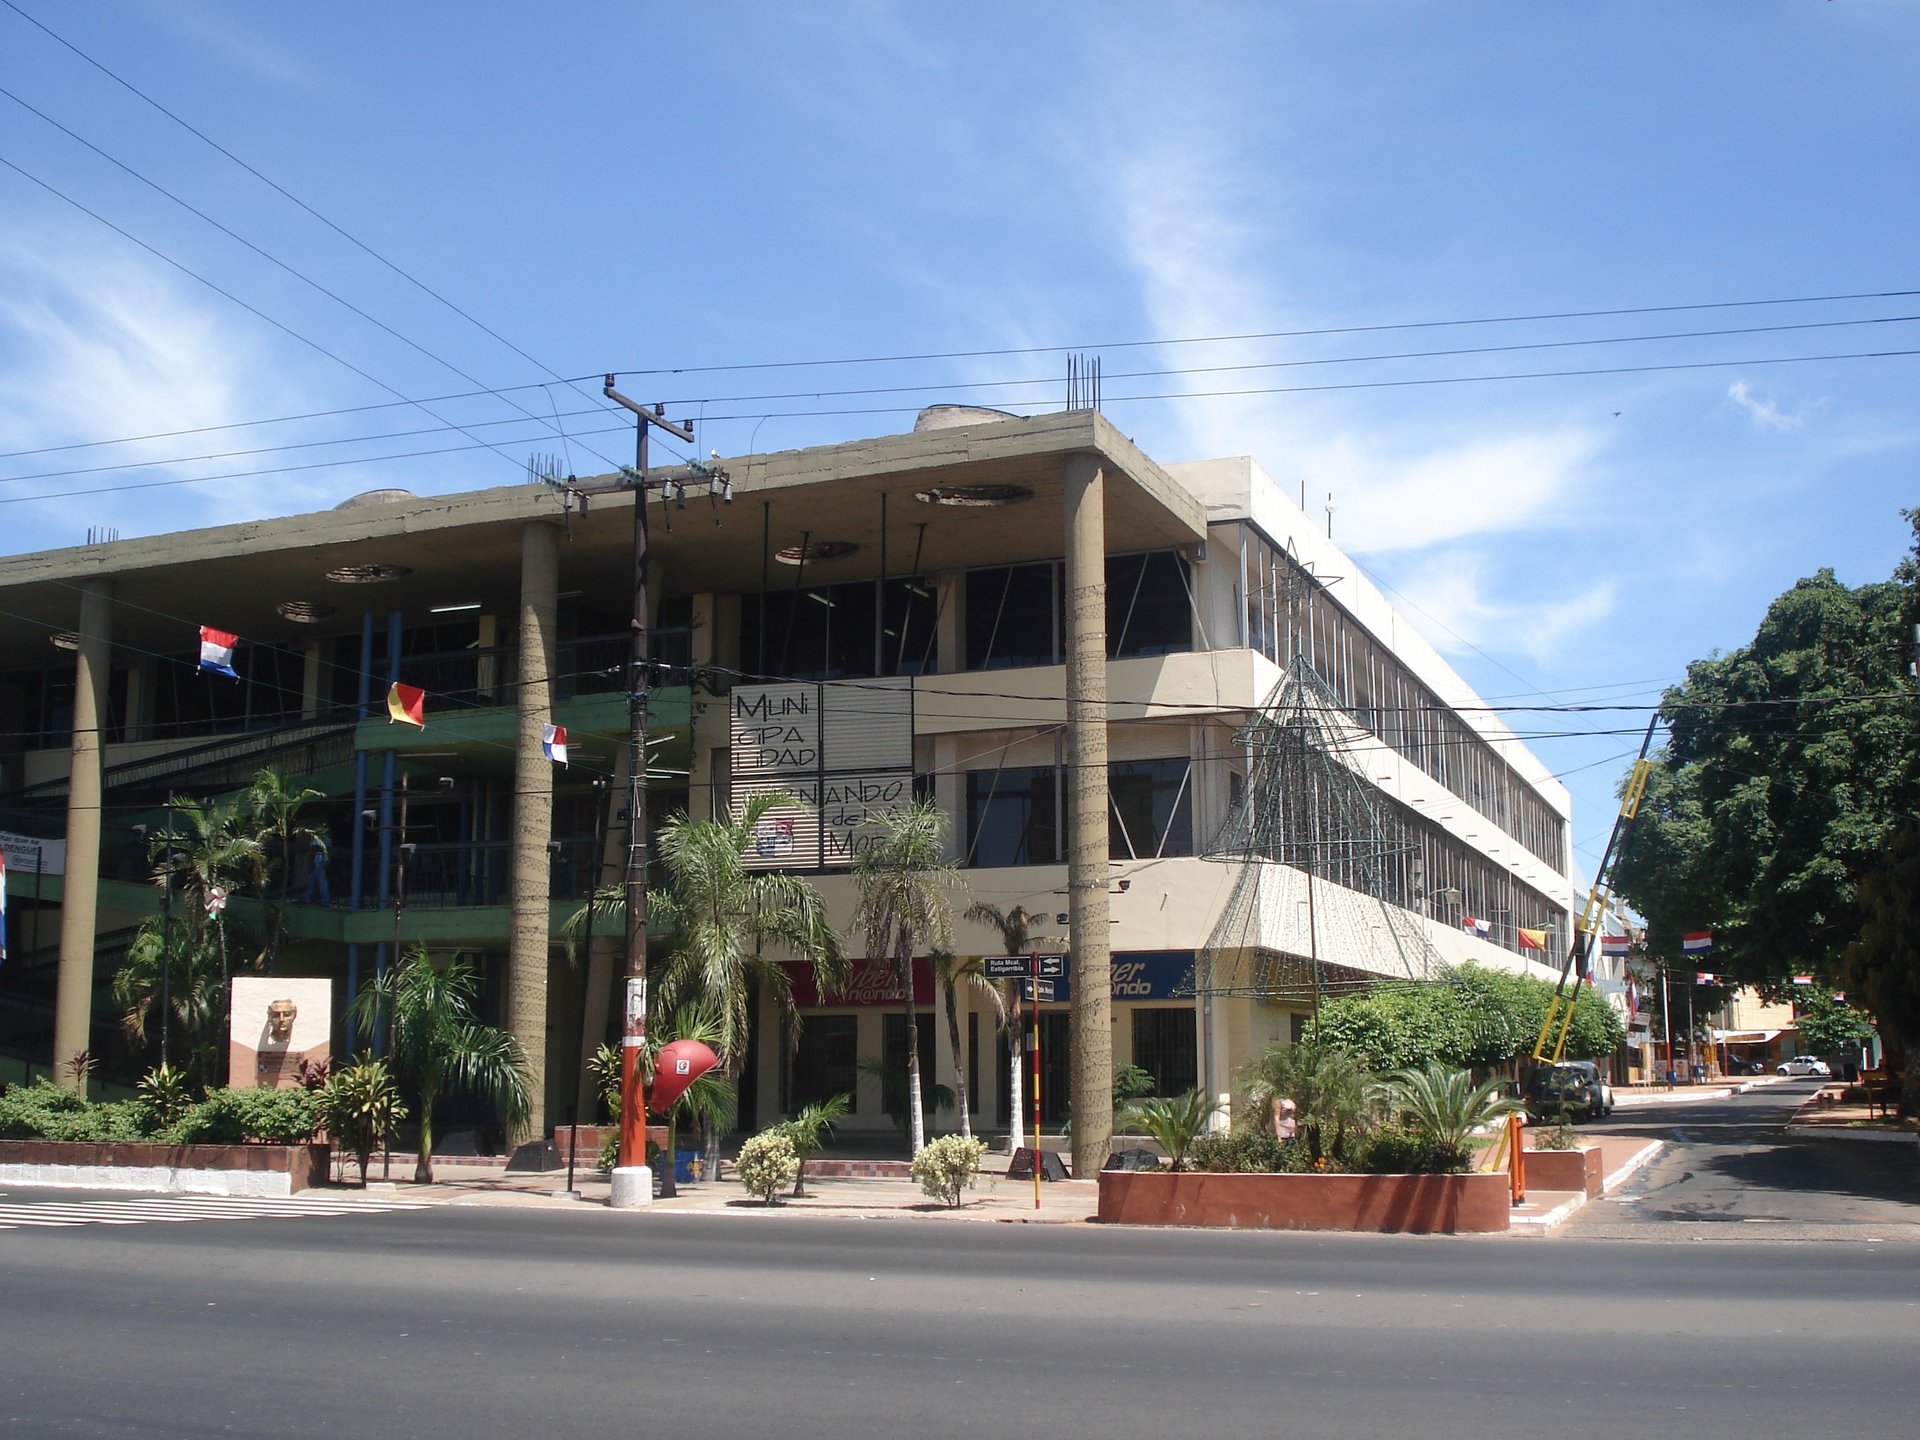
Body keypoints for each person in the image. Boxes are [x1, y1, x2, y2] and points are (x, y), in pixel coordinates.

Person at [302, 832, 332, 904]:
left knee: (321, 881)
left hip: (319, 861)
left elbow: (315, 849)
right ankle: (307, 898)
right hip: (320, 861)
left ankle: (325, 900)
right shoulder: (324, 837)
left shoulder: (317, 837)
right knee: (312, 880)